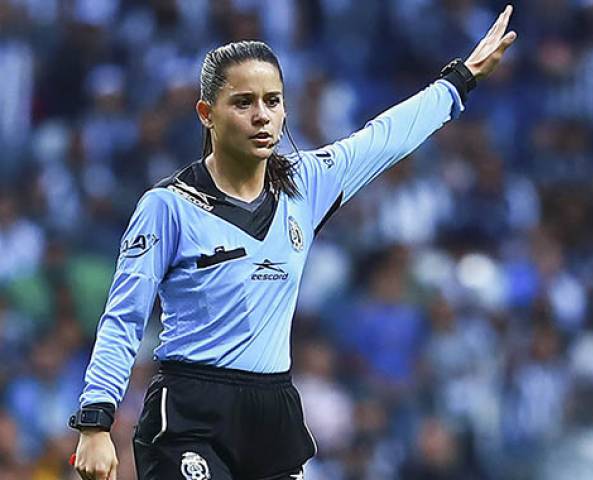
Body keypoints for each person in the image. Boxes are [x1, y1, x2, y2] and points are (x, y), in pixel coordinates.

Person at [68, 5, 517, 480]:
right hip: (191, 413)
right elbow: (124, 317)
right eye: (243, 102)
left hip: (273, 413)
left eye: (273, 101)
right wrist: (96, 420)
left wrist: (460, 80)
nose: (261, 116)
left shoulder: (305, 186)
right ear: (207, 114)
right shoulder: (168, 206)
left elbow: (384, 139)